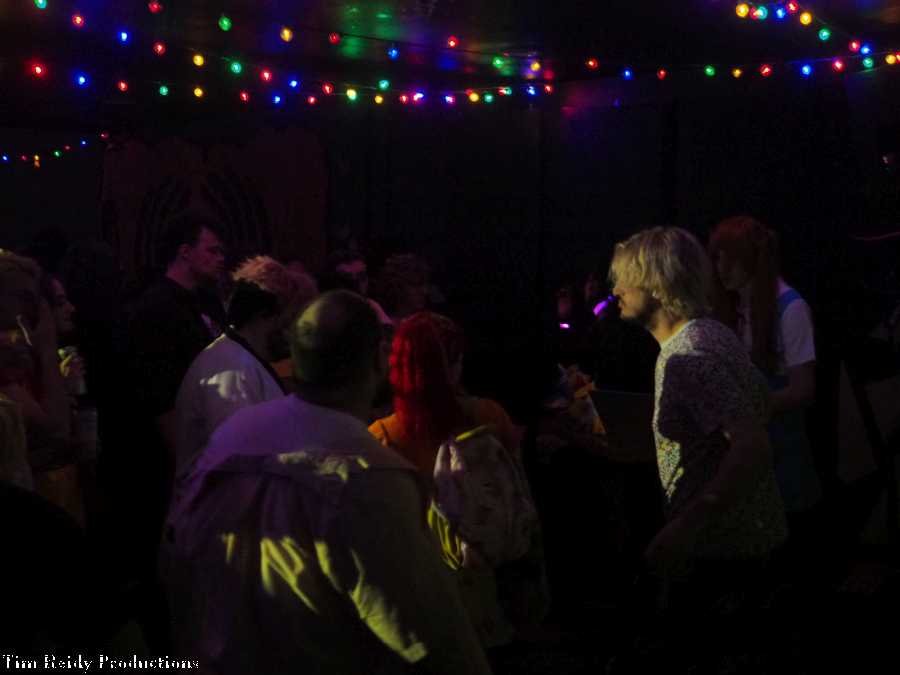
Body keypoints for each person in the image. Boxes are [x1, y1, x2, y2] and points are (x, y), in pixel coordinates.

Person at [165, 291, 491, 675]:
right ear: (378, 358)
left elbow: (180, 557)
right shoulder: (371, 477)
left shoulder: (231, 436)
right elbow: (428, 639)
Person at [609, 227, 787, 611]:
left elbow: (752, 446)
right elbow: (759, 403)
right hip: (747, 547)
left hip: (722, 557)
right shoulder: (713, 333)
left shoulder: (686, 356)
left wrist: (686, 525)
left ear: (657, 284)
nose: (616, 290)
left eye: (625, 278)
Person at [709, 216, 822, 525]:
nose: (719, 268)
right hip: (752, 451)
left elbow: (804, 389)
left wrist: (747, 405)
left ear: (748, 258)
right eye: (717, 259)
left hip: (783, 452)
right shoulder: (738, 307)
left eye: (727, 259)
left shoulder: (791, 308)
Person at [173, 256, 316, 486]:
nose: (294, 335)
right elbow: (242, 463)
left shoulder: (241, 360)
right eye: (291, 321)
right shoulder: (232, 371)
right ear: (264, 315)